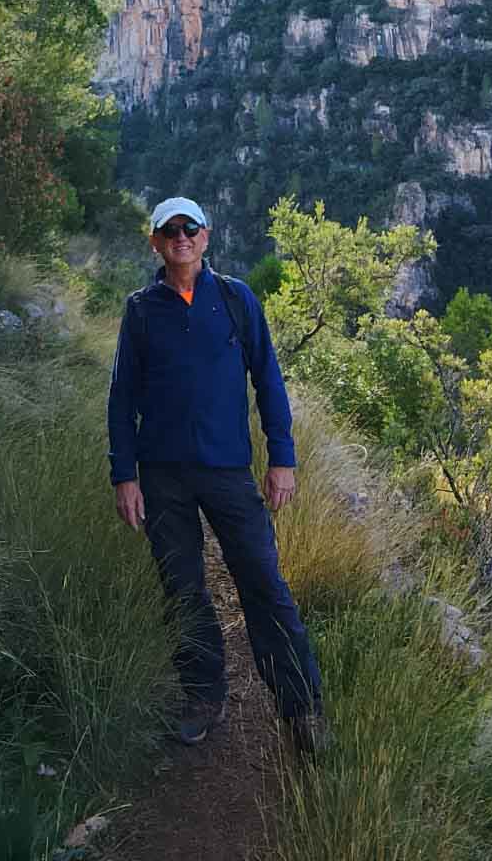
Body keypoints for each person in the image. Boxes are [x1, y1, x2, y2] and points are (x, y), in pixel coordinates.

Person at [107, 196, 326, 754]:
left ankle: (302, 709)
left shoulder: (236, 299)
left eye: (191, 228)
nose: (181, 237)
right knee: (182, 589)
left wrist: (282, 457)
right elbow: (120, 398)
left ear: (207, 236)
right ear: (155, 242)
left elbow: (268, 380)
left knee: (264, 584)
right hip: (162, 475)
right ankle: (203, 696)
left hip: (228, 470)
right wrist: (124, 475)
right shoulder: (141, 310)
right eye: (170, 230)